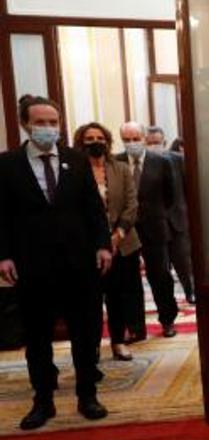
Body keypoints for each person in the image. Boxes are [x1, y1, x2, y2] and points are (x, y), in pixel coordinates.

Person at [0, 96, 112, 429]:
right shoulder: (7, 165)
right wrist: (3, 255)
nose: (49, 128)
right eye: (41, 122)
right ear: (25, 124)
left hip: (79, 265)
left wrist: (103, 246)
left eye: (53, 122)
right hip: (32, 266)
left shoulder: (75, 160)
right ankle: (43, 400)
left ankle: (87, 394)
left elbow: (93, 208)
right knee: (36, 336)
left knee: (86, 333)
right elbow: (1, 216)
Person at [74, 123, 141, 362]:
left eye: (100, 137)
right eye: (89, 138)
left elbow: (132, 205)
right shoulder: (73, 169)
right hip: (87, 247)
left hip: (123, 244)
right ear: (81, 142)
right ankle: (91, 345)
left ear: (108, 141)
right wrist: (98, 241)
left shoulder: (121, 168)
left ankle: (118, 342)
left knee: (118, 296)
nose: (95, 142)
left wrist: (116, 236)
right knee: (90, 300)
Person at [118, 122, 180, 338]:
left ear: (143, 138)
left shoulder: (161, 161)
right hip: (126, 230)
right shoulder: (117, 162)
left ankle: (168, 321)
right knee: (129, 279)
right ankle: (135, 327)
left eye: (135, 138)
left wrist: (158, 215)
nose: (131, 143)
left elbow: (170, 195)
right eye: (127, 140)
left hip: (155, 228)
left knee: (161, 276)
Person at [146, 126, 194, 304]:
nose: (153, 146)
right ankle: (168, 303)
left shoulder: (178, 160)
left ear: (164, 143)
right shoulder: (141, 163)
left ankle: (191, 293)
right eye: (149, 143)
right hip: (153, 225)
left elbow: (189, 189)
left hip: (177, 221)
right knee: (160, 270)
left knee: (184, 262)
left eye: (157, 143)